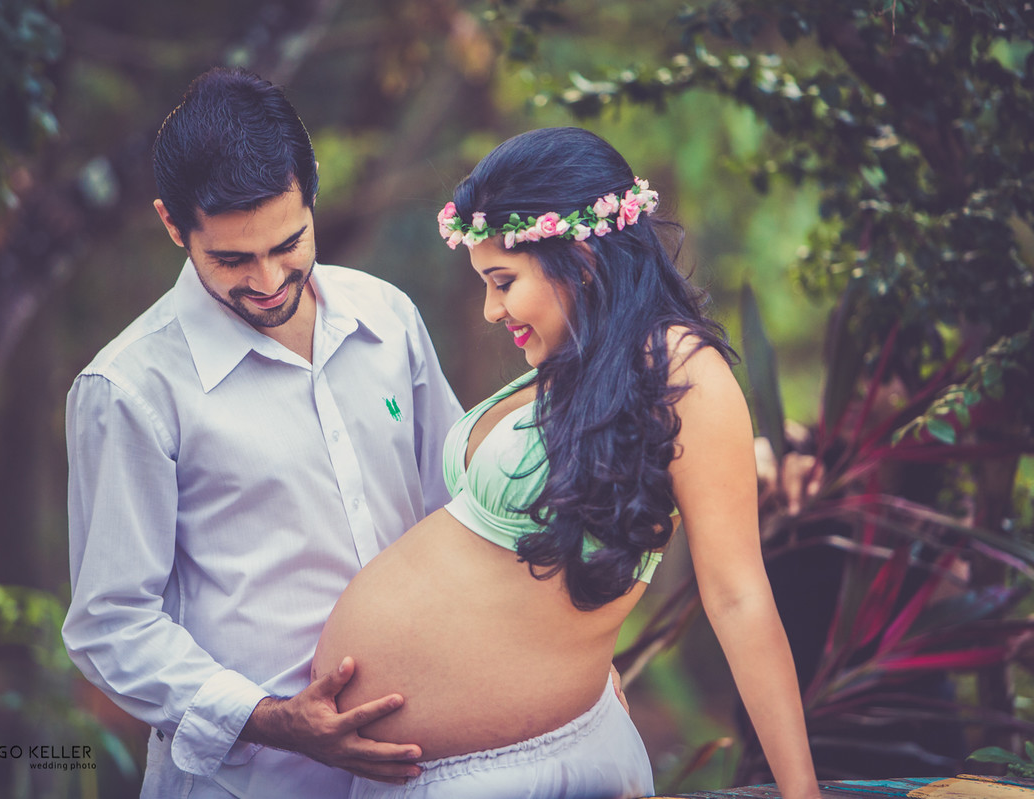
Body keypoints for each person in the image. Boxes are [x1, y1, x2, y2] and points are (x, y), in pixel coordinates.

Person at [313, 127, 821, 799]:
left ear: (579, 257)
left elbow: (737, 594)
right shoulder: (567, 365)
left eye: (503, 282)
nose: (492, 309)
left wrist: (802, 792)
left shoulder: (682, 372)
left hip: (520, 772)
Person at [62, 67, 463, 798]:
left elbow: (459, 513)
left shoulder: (389, 318)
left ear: (312, 197)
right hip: (251, 783)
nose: (271, 279)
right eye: (233, 258)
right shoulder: (130, 388)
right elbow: (110, 622)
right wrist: (269, 718)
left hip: (427, 766)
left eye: (289, 242)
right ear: (171, 223)